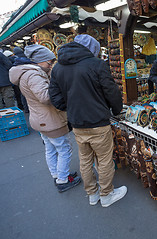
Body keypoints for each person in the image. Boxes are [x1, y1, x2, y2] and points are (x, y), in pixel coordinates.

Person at [49, 34, 127, 207]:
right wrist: (116, 110)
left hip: (77, 122)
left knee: (85, 159)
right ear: (92, 49)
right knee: (104, 160)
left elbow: (54, 96)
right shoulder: (97, 64)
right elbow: (111, 91)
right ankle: (106, 194)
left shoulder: (58, 67)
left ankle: (92, 194)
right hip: (98, 121)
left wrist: (69, 106)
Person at [9, 45, 81, 192]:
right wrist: (62, 88)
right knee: (64, 149)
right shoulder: (34, 75)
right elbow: (46, 97)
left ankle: (58, 174)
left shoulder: (27, 73)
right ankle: (63, 180)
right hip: (50, 120)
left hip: (40, 119)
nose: (51, 65)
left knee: (51, 148)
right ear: (39, 61)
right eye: (49, 62)